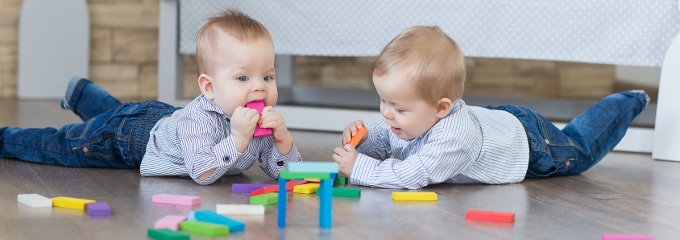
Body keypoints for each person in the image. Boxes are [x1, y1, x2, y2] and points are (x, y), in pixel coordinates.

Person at [0, 9, 301, 185]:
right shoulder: (199, 119)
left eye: (268, 77)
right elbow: (203, 172)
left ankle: (81, 94)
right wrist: (237, 139)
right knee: (67, 145)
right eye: (243, 78)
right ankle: (6, 138)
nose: (260, 87)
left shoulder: (260, 122)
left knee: (120, 112)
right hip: (131, 140)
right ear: (209, 88)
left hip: (160, 118)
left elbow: (280, 172)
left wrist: (283, 141)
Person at [332, 26, 649, 190]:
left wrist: (360, 167)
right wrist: (363, 141)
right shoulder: (414, 115)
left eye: (397, 108)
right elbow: (389, 139)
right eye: (383, 101)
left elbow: (412, 175)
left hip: (528, 145)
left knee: (579, 148)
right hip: (495, 123)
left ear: (441, 107)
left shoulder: (453, 139)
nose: (386, 113)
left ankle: (628, 101)